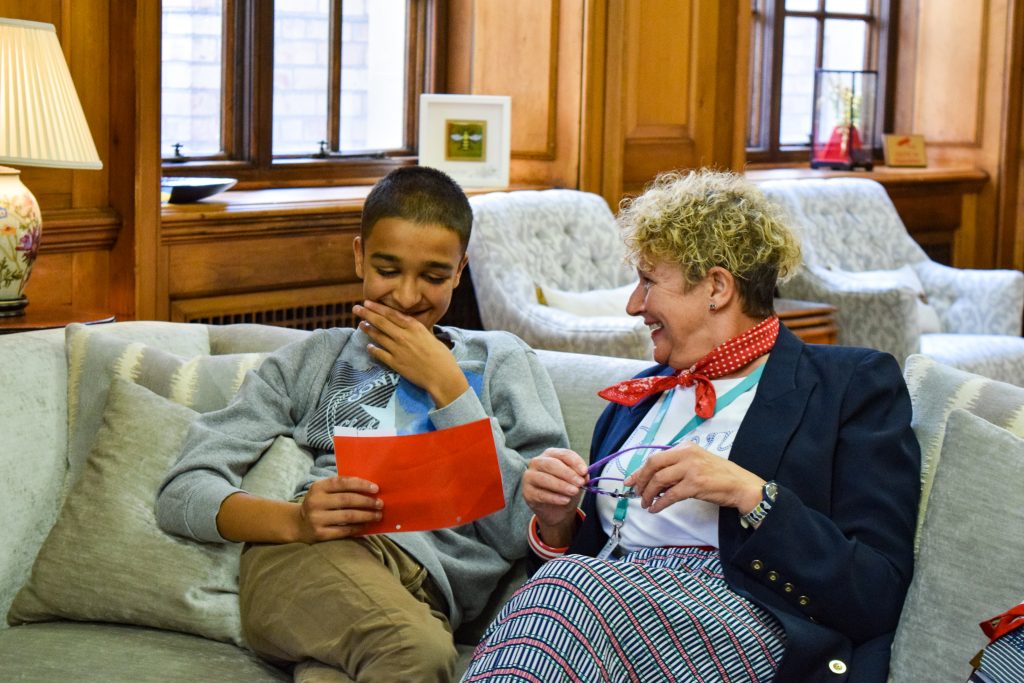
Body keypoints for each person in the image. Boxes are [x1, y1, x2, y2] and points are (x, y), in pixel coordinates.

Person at [461, 169, 921, 683]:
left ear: (717, 288)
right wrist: (556, 521)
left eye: (649, 281)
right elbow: (587, 554)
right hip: (601, 603)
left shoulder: (851, 384)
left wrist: (750, 493)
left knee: (562, 591)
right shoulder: (635, 399)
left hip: (745, 615)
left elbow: (878, 589)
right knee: (566, 588)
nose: (635, 305)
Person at [156, 166, 568, 682]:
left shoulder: (502, 361)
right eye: (388, 269)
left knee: (355, 667)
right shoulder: (314, 361)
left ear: (461, 270)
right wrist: (294, 522)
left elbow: (528, 533)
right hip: (309, 561)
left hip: (423, 601)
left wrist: (451, 390)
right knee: (417, 656)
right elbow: (181, 493)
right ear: (359, 257)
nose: (408, 295)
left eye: (434, 276)